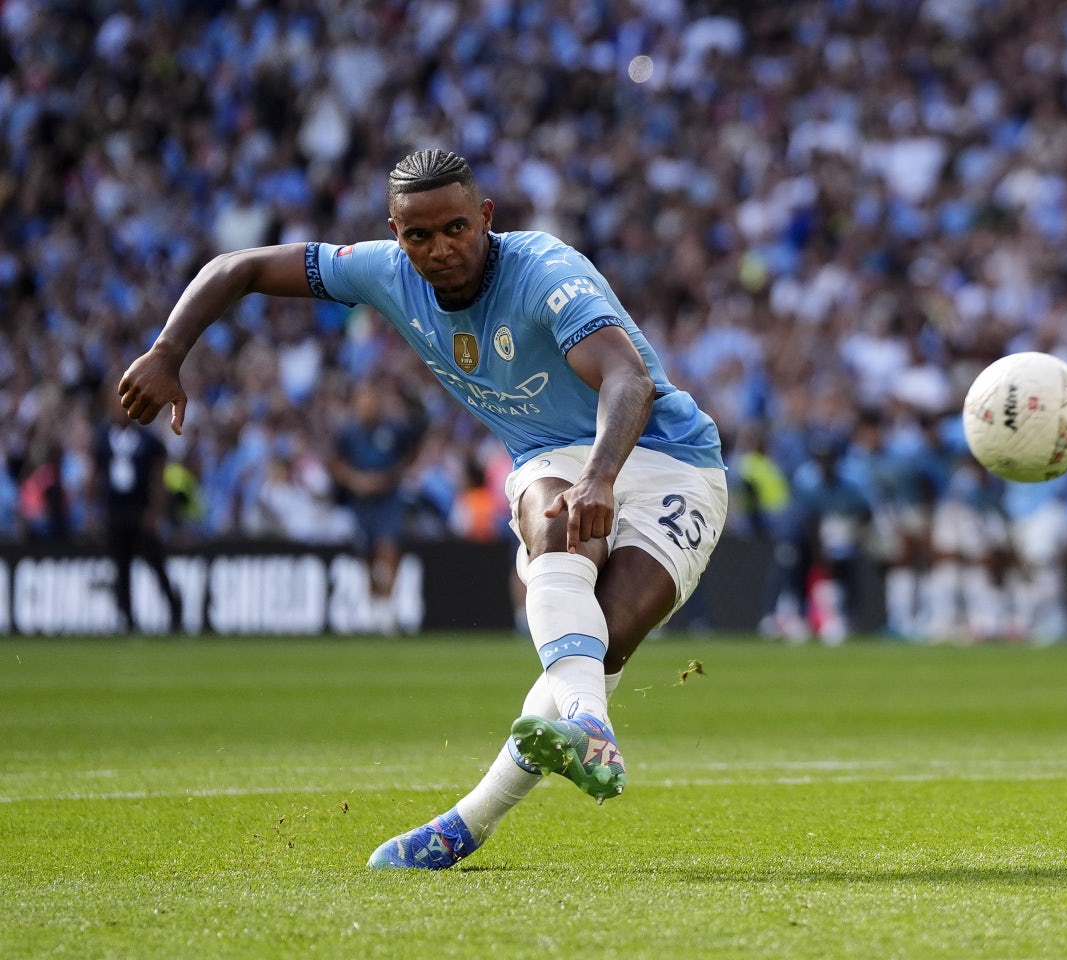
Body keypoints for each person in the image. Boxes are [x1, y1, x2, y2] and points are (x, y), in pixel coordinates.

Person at [117, 148, 728, 868]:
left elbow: (627, 378)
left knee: (607, 641)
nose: (440, 249)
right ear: (395, 232)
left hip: (667, 457)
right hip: (553, 459)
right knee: (562, 569)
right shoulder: (380, 271)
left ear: (486, 218)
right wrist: (167, 349)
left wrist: (601, 475)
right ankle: (587, 731)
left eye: (456, 229)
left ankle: (471, 820)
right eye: (419, 235)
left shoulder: (544, 270)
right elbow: (238, 268)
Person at [329, 381, 426, 631]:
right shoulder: (348, 433)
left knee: (389, 548)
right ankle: (373, 605)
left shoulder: (394, 429)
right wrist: (355, 480)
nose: (368, 405)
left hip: (388, 498)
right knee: (366, 555)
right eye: (364, 400)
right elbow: (335, 462)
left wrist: (392, 476)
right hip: (359, 501)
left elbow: (411, 453)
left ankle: (387, 606)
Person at [90, 394, 181, 633]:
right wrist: (94, 512)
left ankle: (174, 612)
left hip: (140, 508)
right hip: (115, 509)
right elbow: (95, 477)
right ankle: (128, 619)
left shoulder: (148, 440)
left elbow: (158, 480)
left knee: (156, 563)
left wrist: (154, 512)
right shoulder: (102, 438)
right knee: (121, 567)